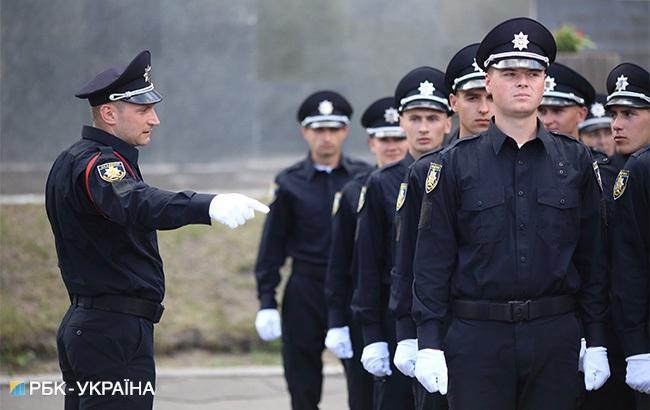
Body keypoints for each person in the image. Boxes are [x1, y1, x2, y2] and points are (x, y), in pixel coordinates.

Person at [45, 50, 268, 410]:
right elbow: (136, 202)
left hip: (99, 326)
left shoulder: (79, 158)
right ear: (109, 113)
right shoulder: (99, 164)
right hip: (111, 332)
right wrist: (206, 205)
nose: (155, 119)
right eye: (143, 110)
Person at [412, 17, 610, 410]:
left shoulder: (575, 161)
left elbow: (593, 258)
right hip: (477, 337)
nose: (523, 81)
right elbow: (432, 261)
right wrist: (429, 342)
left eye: (533, 73)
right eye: (510, 73)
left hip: (555, 334)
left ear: (544, 82)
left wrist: (598, 337)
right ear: (488, 82)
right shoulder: (453, 166)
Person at [253, 90, 372, 410]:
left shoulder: (365, 177)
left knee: (365, 382)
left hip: (352, 288)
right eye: (319, 130)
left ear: (345, 131)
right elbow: (272, 246)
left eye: (334, 129)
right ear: (305, 132)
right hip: (306, 288)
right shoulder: (289, 182)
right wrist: (267, 300)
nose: (327, 138)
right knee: (302, 381)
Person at [390, 43, 493, 410]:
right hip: (442, 324)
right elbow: (408, 261)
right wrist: (407, 332)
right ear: (454, 102)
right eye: (472, 96)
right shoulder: (430, 171)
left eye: (489, 95)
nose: (483, 108)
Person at [355, 66, 451, 410]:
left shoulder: (459, 171)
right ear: (402, 123)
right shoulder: (382, 183)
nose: (423, 128)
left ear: (448, 122)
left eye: (432, 117)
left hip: (449, 319)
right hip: (397, 320)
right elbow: (368, 264)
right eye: (414, 118)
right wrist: (372, 337)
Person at [325, 96, 408, 410]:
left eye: (397, 137)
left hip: (407, 309)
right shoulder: (354, 192)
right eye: (384, 139)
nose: (392, 146)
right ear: (372, 143)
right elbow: (343, 262)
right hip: (368, 309)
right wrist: (336, 320)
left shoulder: (432, 179)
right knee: (364, 397)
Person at [608, 62, 650, 409]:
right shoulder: (637, 170)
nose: (617, 125)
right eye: (615, 114)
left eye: (630, 113)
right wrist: (637, 347)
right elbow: (629, 263)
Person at [537, 62, 595, 140]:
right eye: (541, 111)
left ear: (581, 114)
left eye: (557, 111)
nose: (547, 121)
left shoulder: (587, 153)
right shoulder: (524, 152)